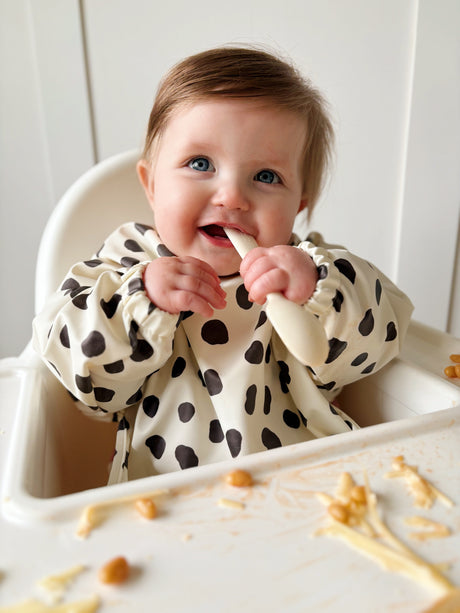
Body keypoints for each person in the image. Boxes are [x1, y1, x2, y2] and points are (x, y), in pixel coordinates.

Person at [32, 46, 413, 484]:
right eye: (200, 164)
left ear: (298, 206)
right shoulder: (125, 264)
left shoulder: (310, 269)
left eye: (267, 176)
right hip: (166, 496)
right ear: (151, 185)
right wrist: (140, 302)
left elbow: (382, 340)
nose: (232, 196)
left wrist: (317, 288)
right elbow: (86, 387)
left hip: (311, 483)